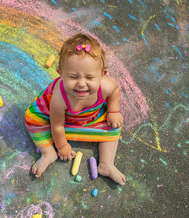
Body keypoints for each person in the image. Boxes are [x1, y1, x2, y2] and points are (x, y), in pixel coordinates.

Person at [25, 33, 126, 185]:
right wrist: (63, 146)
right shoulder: (59, 98)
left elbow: (115, 90)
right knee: (31, 119)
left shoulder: (107, 85)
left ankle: (106, 164)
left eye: (90, 77)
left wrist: (113, 111)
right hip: (58, 119)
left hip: (90, 117)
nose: (81, 83)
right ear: (60, 74)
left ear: (103, 74)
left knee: (114, 127)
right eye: (73, 77)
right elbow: (57, 126)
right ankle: (48, 153)